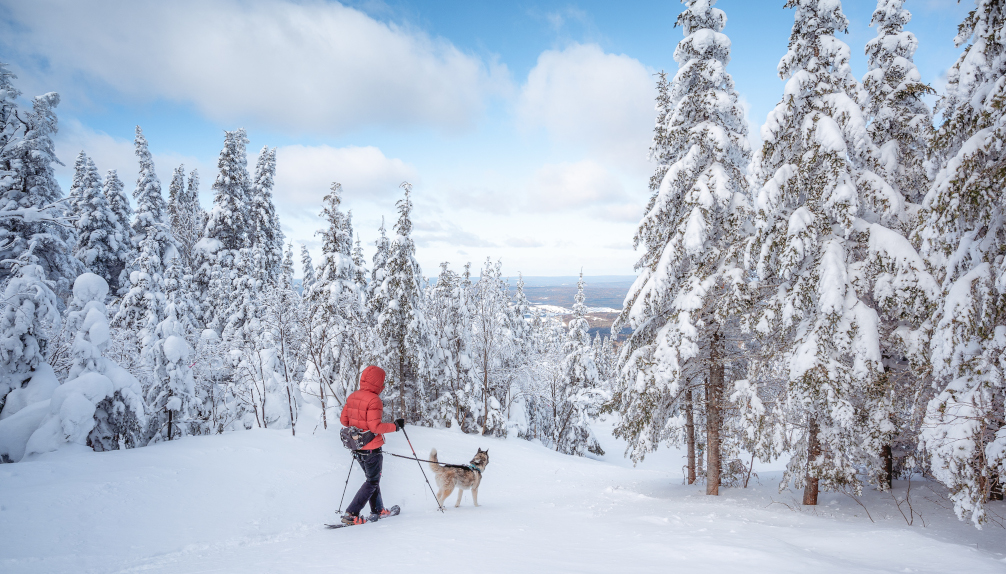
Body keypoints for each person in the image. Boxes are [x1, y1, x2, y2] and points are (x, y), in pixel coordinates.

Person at [339, 365, 405, 525]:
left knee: (372, 479)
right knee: (372, 481)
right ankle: (351, 514)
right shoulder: (374, 400)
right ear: (378, 384)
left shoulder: (353, 396)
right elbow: (375, 427)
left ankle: (378, 510)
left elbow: (344, 421)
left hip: (357, 448)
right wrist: (396, 427)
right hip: (371, 449)